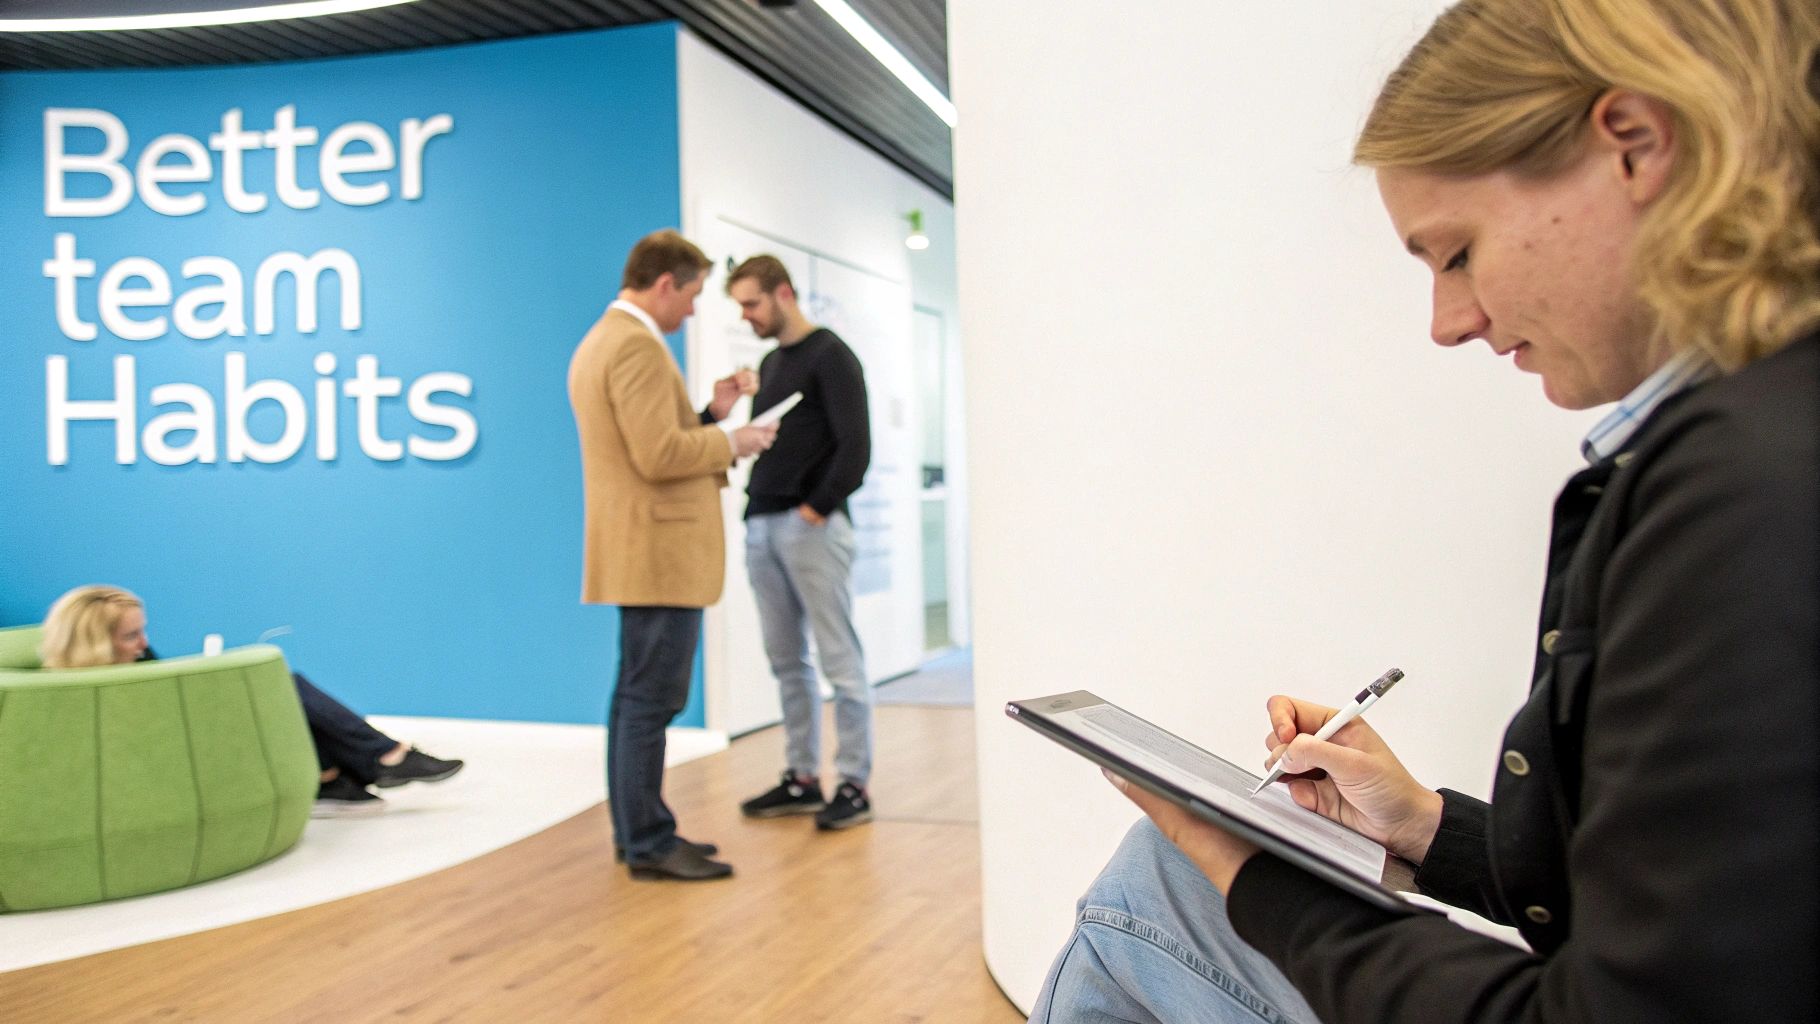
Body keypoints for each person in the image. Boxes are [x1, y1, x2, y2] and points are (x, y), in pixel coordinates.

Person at [1033, 1, 1820, 1021]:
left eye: (1454, 255)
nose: (1449, 323)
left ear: (1631, 145)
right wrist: (1421, 825)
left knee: (1155, 893)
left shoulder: (1743, 490)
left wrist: (1257, 874)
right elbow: (1682, 907)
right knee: (1163, 867)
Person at [567, 229, 777, 881]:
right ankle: (649, 841)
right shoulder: (633, 344)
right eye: (691, 296)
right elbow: (657, 457)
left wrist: (709, 413)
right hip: (656, 550)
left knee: (640, 698)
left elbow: (650, 439)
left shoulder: (614, 339)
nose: (691, 312)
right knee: (648, 701)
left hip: (644, 548)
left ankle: (641, 831)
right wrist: (733, 439)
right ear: (665, 284)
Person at [39, 585, 464, 819]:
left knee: (285, 686)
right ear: (95, 640)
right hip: (175, 754)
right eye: (131, 635)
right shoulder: (73, 692)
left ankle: (343, 774)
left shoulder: (137, 662)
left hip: (189, 737)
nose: (144, 643)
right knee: (288, 687)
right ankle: (379, 759)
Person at [725, 255, 877, 831]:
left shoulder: (831, 355)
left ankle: (855, 783)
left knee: (839, 658)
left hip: (809, 525)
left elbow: (854, 446)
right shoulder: (771, 361)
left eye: (752, 303)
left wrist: (815, 506)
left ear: (783, 294)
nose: (746, 316)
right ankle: (802, 777)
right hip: (762, 522)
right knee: (786, 659)